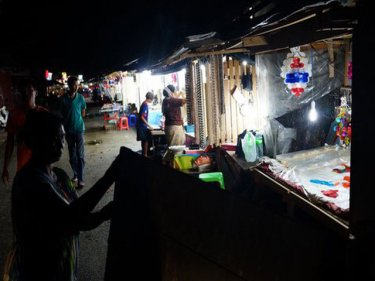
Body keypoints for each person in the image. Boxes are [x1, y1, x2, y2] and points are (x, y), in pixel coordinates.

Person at [3, 110, 118, 281]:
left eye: (62, 137)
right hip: (37, 272)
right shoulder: (30, 182)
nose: (61, 144)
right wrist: (109, 176)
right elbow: (72, 216)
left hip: (63, 270)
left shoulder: (60, 176)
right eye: (54, 139)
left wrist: (104, 214)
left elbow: (79, 219)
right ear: (37, 140)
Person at [2, 78, 47, 185]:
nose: (26, 94)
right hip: (23, 168)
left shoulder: (44, 114)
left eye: (30, 90)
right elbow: (10, 143)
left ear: (36, 93)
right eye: (24, 91)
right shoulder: (14, 115)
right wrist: (5, 167)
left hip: (42, 169)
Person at [59, 76, 87, 189]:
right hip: (69, 131)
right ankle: (75, 174)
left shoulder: (80, 98)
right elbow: (62, 114)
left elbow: (83, 112)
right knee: (72, 157)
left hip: (80, 129)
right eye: (74, 84)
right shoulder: (63, 99)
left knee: (80, 155)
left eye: (77, 84)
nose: (76, 87)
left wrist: (77, 118)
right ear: (69, 85)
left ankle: (80, 179)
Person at [136, 91, 155, 157]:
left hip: (142, 125)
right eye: (151, 100)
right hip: (142, 126)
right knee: (145, 140)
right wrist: (148, 125)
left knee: (144, 140)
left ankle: (144, 154)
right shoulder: (144, 105)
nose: (151, 101)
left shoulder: (144, 104)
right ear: (149, 99)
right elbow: (142, 117)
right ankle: (145, 154)